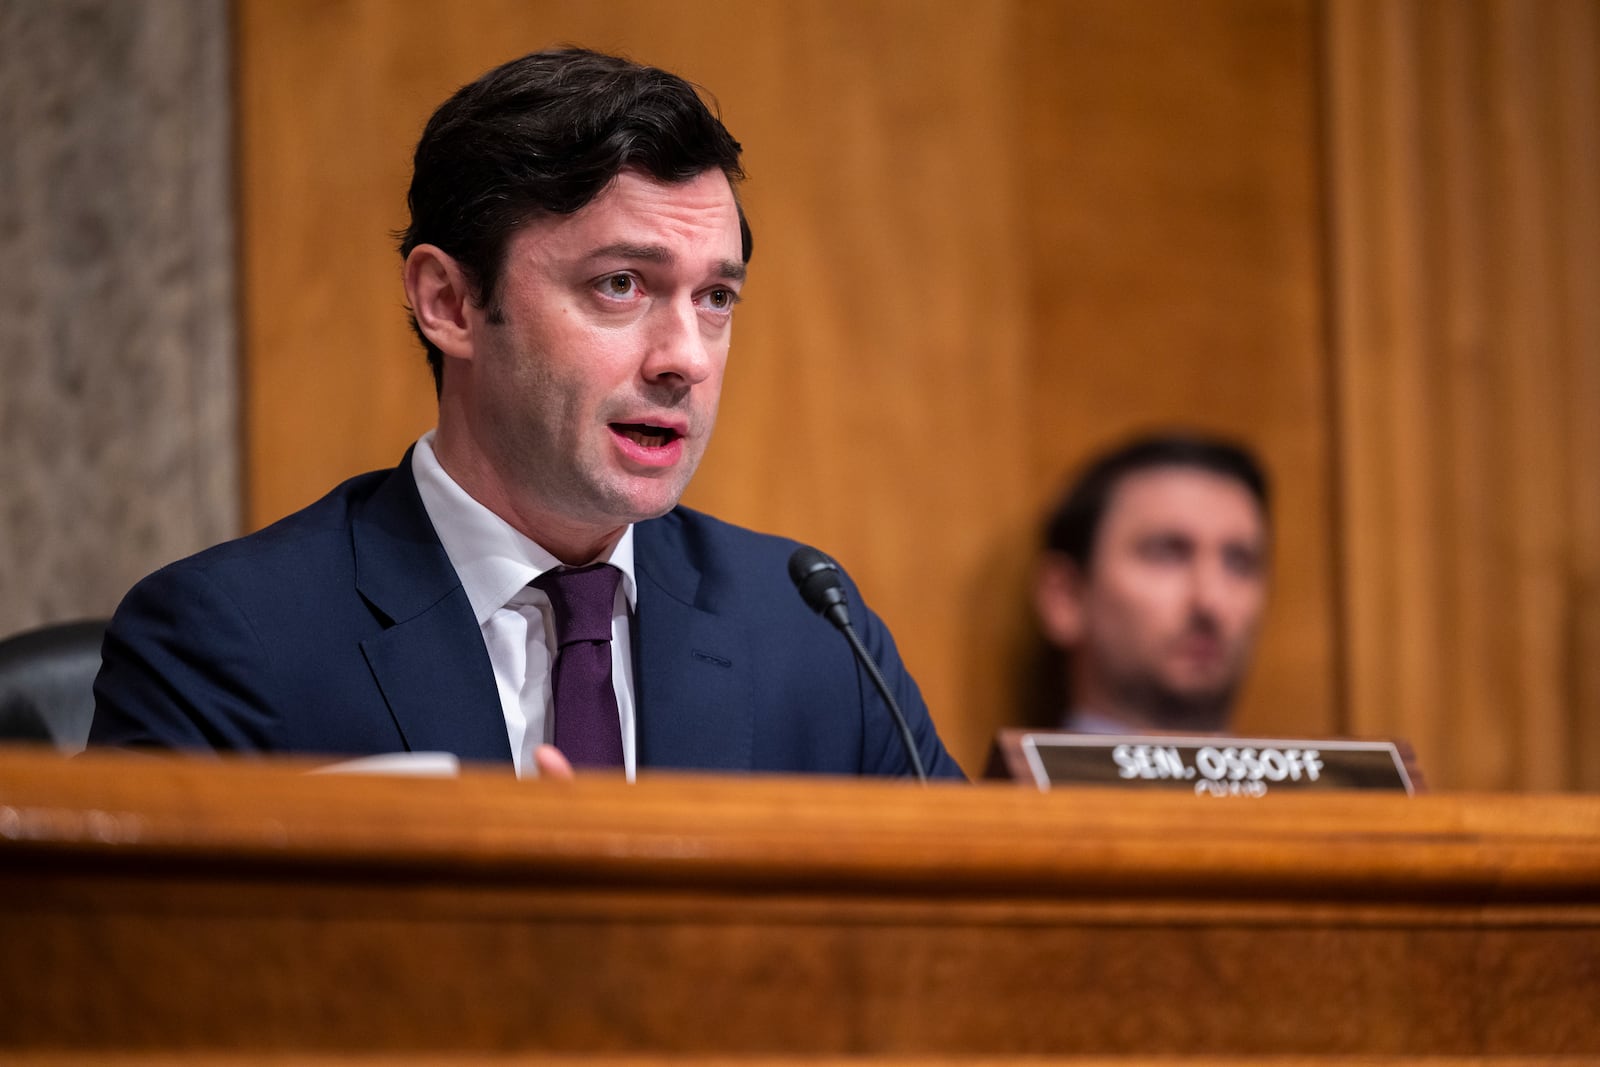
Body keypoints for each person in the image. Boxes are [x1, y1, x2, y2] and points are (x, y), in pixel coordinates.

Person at [89, 48, 962, 781]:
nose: (686, 357)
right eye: (620, 285)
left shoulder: (813, 635)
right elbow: (148, 983)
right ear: (451, 303)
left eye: (717, 296)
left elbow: (968, 953)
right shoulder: (227, 640)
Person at [1031, 432, 1270, 734]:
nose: (1211, 601)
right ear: (1066, 598)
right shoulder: (981, 782)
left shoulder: (1333, 782)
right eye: (1167, 554)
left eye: (1239, 563)